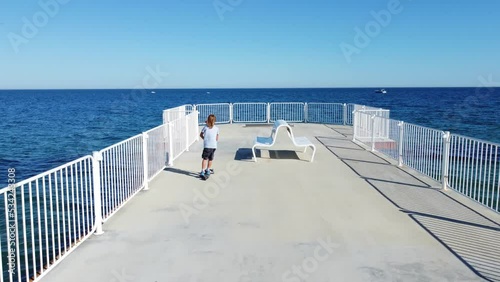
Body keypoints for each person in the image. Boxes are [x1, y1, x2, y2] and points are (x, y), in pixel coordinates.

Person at [199, 114, 219, 178]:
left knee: (205, 159)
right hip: (213, 146)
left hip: (207, 146)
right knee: (210, 159)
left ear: (207, 120)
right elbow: (217, 138)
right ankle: (208, 169)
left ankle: (202, 171)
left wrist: (204, 138)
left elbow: (201, 134)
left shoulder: (205, 128)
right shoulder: (216, 128)